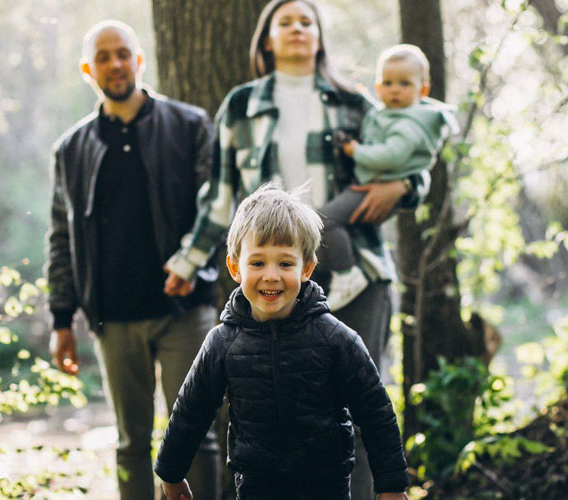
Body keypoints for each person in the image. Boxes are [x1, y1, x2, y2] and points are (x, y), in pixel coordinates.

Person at [161, 1, 420, 497]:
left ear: (320, 38)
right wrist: (189, 261)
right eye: (286, 21)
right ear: (267, 39)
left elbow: (413, 146)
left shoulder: (355, 103)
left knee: (362, 404)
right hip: (273, 269)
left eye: (308, 21)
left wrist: (407, 187)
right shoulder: (240, 106)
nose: (298, 29)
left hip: (356, 269)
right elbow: (219, 197)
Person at [44, 20, 221, 500]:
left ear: (139, 60)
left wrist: (195, 265)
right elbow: (61, 235)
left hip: (185, 310)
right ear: (88, 70)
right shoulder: (71, 149)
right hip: (113, 317)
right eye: (103, 56)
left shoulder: (190, 126)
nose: (115, 63)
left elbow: (218, 207)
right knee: (130, 443)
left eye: (123, 53)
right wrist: (62, 317)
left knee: (200, 436)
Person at [154, 184, 409, 500]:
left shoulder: (335, 339)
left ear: (307, 268)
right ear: (235, 267)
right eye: (258, 263)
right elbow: (191, 412)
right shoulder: (223, 343)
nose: (271, 276)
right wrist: (171, 474)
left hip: (325, 486)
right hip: (258, 486)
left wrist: (391, 487)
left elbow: (376, 413)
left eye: (285, 264)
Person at [321, 43, 458, 310]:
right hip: (371, 184)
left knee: (324, 220)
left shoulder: (410, 122)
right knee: (332, 222)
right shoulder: (389, 114)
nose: (395, 89)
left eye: (404, 84)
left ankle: (347, 275)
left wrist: (355, 150)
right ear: (378, 86)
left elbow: (390, 156)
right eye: (387, 82)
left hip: (380, 186)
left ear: (423, 90)